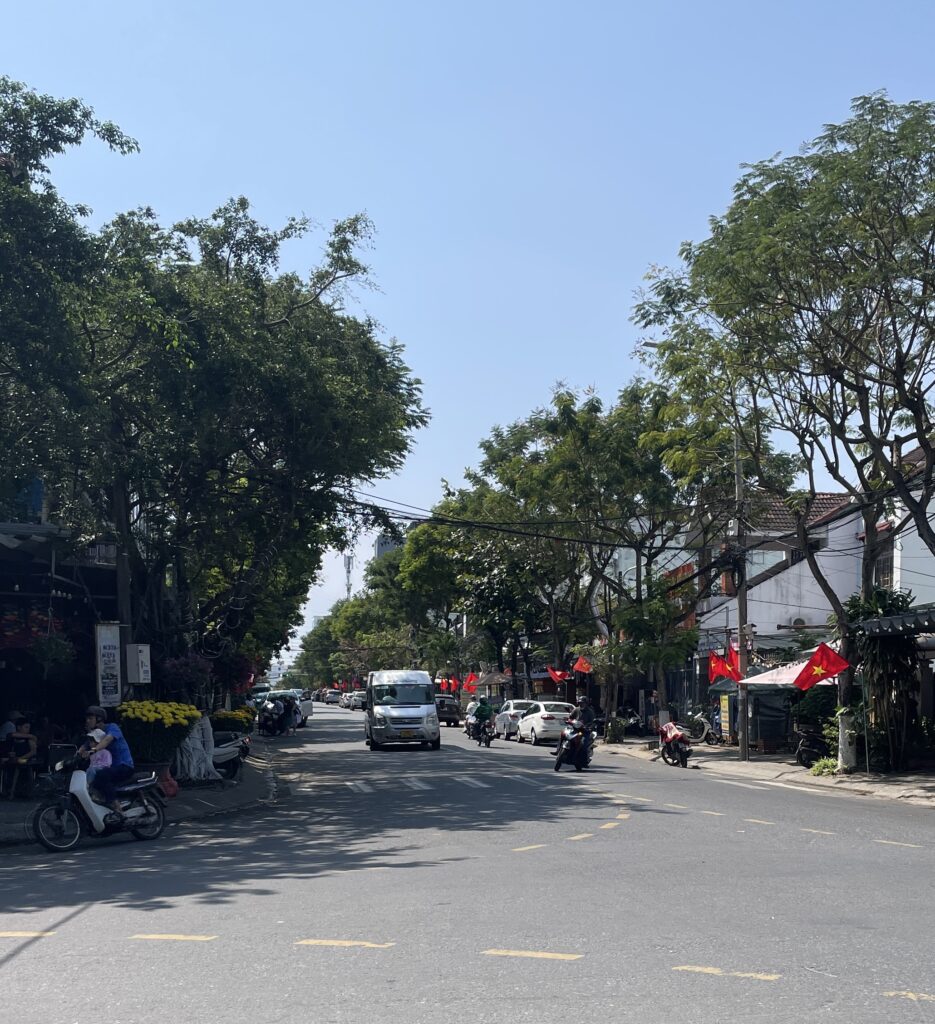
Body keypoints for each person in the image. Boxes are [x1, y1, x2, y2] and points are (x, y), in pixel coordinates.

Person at [80, 706, 134, 813]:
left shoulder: (112, 727)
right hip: (110, 767)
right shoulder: (95, 734)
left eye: (90, 718)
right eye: (87, 718)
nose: (87, 721)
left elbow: (106, 740)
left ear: (99, 719)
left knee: (101, 775)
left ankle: (116, 805)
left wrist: (93, 750)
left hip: (124, 766)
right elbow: (85, 746)